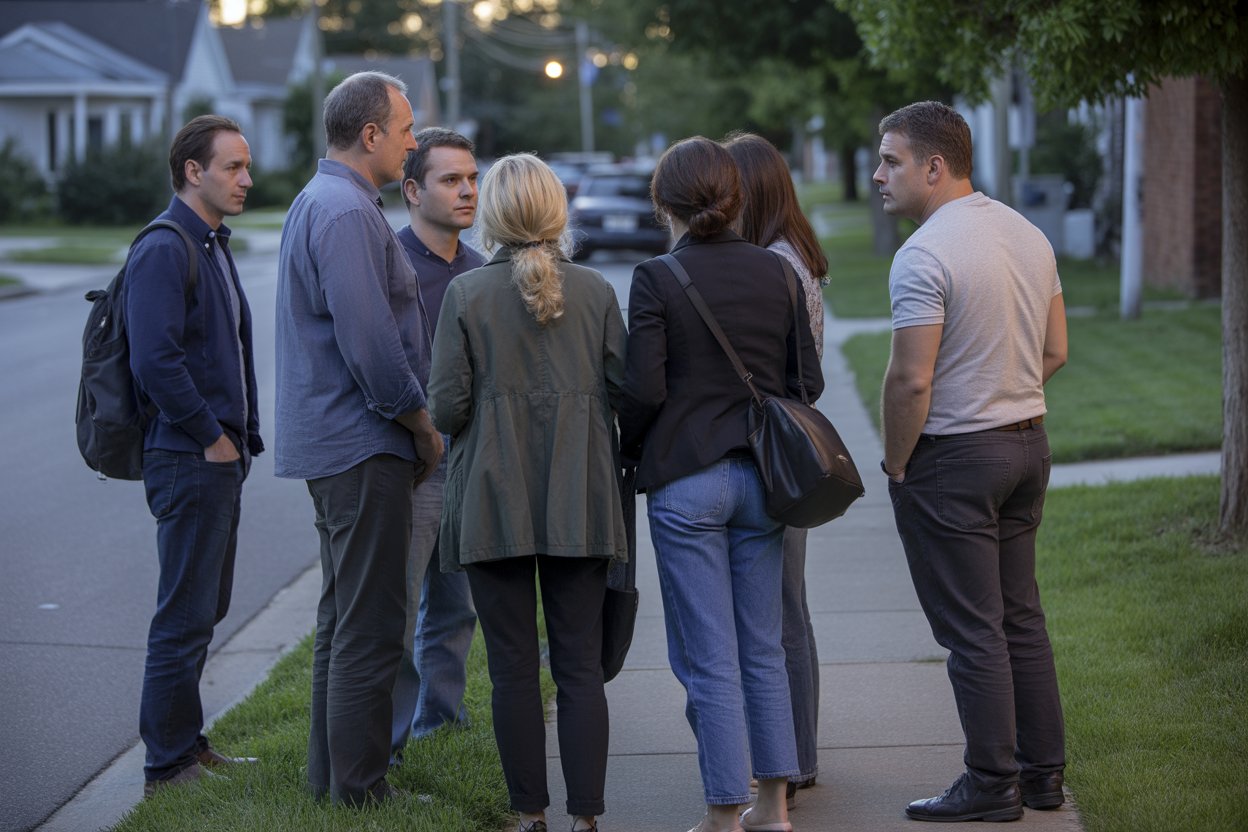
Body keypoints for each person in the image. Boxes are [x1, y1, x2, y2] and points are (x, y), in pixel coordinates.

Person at [619, 136, 823, 832]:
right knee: (762, 647)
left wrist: (631, 443)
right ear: (736, 197)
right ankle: (774, 806)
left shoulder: (656, 278)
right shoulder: (779, 273)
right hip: (762, 484)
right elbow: (808, 385)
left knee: (709, 655)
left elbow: (642, 388)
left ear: (662, 202)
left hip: (686, 482)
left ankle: (720, 811)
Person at [874, 101, 1068, 823]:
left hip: (954, 459)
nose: (877, 175)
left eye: (891, 161)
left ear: (935, 166)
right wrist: (1003, 395)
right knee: (1021, 617)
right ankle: (1042, 777)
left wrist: (897, 464)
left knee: (973, 630)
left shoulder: (924, 254)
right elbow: (1055, 351)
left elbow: (911, 379)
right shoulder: (1027, 233)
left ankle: (992, 784)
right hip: (1026, 445)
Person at [427, 153, 627, 832]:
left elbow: (447, 410)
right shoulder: (597, 292)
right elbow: (628, 393)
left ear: (494, 214)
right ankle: (588, 818)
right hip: (582, 499)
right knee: (579, 667)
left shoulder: (465, 295)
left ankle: (529, 814)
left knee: (511, 670)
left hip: (492, 502)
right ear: (556, 210)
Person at [274, 71, 443, 806]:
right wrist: (422, 423)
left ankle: (331, 780)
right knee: (371, 627)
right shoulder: (345, 211)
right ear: (371, 135)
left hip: (342, 442)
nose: (413, 142)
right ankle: (363, 790)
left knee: (343, 619)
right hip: (361, 442)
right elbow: (371, 346)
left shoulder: (328, 200)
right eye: (406, 130)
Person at [126, 114, 263, 796]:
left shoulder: (209, 242)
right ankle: (165, 766)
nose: (246, 178)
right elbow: (156, 360)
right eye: (233, 167)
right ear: (193, 171)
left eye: (246, 166)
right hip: (188, 458)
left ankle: (187, 743)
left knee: (203, 609)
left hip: (217, 457)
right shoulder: (165, 246)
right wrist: (212, 438)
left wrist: (239, 441)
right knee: (181, 615)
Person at [723, 131, 830, 808]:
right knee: (789, 607)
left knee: (783, 611)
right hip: (784, 448)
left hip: (773, 452)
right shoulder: (790, 252)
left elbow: (797, 374)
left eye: (729, 186)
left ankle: (794, 759)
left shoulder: (778, 263)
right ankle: (798, 753)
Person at [390, 127, 484, 761]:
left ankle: (439, 722)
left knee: (458, 608)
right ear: (412, 189)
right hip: (411, 464)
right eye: (451, 180)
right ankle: (386, 744)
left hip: (472, 465)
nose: (468, 190)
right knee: (398, 612)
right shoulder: (389, 263)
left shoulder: (481, 271)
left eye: (472, 178)